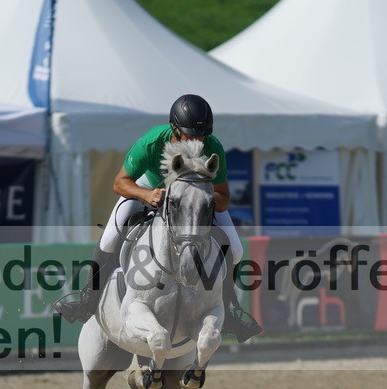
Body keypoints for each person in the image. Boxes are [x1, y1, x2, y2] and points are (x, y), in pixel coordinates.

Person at [54, 94, 262, 343]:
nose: (197, 140)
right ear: (174, 128)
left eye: (202, 135)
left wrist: (198, 201)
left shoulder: (213, 147)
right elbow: (119, 182)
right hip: (148, 190)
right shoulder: (152, 142)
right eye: (189, 134)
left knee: (236, 250)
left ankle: (230, 312)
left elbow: (224, 196)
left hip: (195, 201)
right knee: (109, 239)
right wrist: (146, 194)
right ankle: (87, 301)